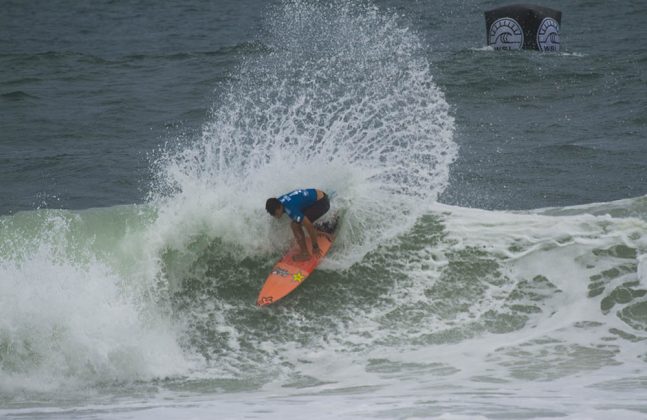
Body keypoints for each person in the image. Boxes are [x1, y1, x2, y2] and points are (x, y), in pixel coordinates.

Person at [265, 188, 330, 261]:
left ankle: (305, 254)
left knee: (295, 225)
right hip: (318, 196)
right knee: (299, 220)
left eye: (276, 214)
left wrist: (315, 247)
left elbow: (309, 226)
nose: (276, 216)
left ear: (280, 207)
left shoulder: (291, 208)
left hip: (322, 203)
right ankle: (317, 232)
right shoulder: (278, 201)